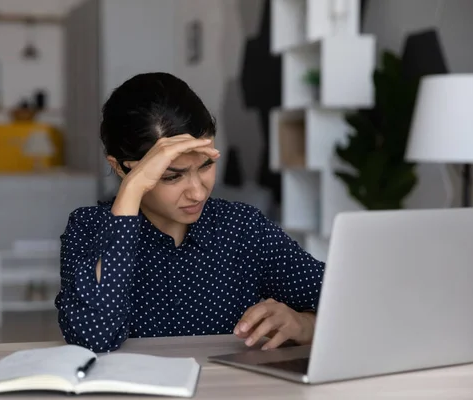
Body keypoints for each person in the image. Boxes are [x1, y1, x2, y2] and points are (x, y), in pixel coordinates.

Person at [54, 72, 325, 353]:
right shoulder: (88, 227)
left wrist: (304, 325)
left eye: (206, 165)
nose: (198, 192)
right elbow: (93, 339)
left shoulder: (242, 227)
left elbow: (345, 299)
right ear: (122, 167)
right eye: (172, 176)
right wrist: (130, 194)